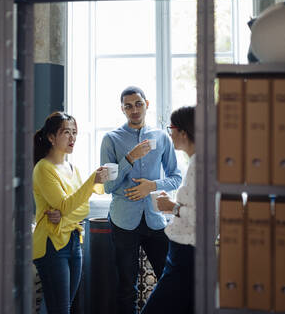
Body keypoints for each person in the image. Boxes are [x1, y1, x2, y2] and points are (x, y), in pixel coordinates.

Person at [100, 86, 182, 314]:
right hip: (123, 222)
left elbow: (176, 177)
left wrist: (152, 186)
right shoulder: (110, 140)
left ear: (147, 104)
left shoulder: (162, 137)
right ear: (122, 109)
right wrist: (130, 158)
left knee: (168, 280)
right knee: (126, 286)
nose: (134, 110)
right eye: (128, 106)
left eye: (138, 104)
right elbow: (108, 187)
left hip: (156, 220)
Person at [32, 111, 108, 314]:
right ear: (51, 137)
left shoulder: (72, 168)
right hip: (51, 244)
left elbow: (82, 207)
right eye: (66, 132)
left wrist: (65, 214)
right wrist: (92, 181)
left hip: (74, 241)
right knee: (60, 309)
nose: (72, 137)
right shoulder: (43, 168)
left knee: (59, 307)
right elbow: (68, 205)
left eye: (75, 132)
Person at [140, 106, 196, 314]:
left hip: (186, 251)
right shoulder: (197, 163)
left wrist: (171, 207)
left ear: (182, 132)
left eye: (170, 128)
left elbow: (206, 216)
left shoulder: (199, 166)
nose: (168, 133)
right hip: (185, 249)